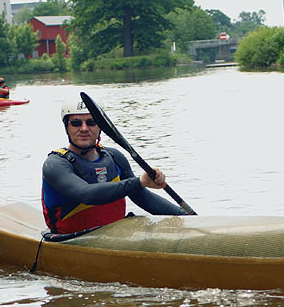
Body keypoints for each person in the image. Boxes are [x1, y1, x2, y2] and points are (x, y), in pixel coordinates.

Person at [41, 99, 185, 234]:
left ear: (100, 127)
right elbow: (86, 194)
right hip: (71, 240)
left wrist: (186, 217)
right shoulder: (55, 164)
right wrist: (140, 182)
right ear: (67, 127)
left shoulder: (114, 157)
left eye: (91, 122)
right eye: (76, 123)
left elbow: (144, 198)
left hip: (113, 237)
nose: (84, 128)